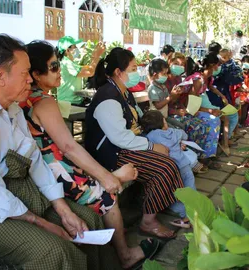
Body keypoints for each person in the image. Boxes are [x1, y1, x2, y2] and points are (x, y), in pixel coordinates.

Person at [0, 34, 119, 270]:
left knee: (87, 221)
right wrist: (40, 222)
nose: (30, 81)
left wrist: (63, 211)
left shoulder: (12, 111)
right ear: (1, 76)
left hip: (11, 189)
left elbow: (34, 161)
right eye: (25, 74)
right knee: (52, 250)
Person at [20, 40, 160, 269]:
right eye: (54, 67)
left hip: (45, 165)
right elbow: (69, 147)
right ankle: (125, 255)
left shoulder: (24, 98)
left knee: (102, 174)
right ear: (36, 74)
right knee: (108, 195)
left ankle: (113, 179)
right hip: (54, 171)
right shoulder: (44, 102)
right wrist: (106, 177)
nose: (59, 71)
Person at [85, 47, 184, 240]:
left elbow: (137, 121)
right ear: (118, 72)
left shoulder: (123, 92)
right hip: (113, 153)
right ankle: (148, 222)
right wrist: (152, 146)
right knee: (165, 166)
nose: (137, 72)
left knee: (171, 155)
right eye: (132, 68)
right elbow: (119, 138)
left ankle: (156, 204)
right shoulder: (107, 97)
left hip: (128, 145)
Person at [141, 110, 197, 228]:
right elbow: (184, 134)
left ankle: (185, 216)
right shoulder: (173, 132)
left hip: (173, 171)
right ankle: (195, 214)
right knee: (191, 190)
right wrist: (179, 140)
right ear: (163, 123)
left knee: (175, 196)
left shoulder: (150, 136)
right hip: (185, 167)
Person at [164, 52, 217, 171]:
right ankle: (189, 161)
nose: (180, 66)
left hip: (178, 110)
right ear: (169, 63)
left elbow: (179, 100)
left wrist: (185, 109)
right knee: (192, 127)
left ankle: (198, 157)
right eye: (176, 63)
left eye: (182, 64)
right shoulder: (164, 80)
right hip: (168, 113)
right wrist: (176, 109)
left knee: (202, 125)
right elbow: (161, 105)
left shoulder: (178, 79)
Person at [56, 36, 106, 106]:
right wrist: (97, 55)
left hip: (70, 103)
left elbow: (89, 68)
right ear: (67, 50)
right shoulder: (67, 63)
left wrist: (94, 54)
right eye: (75, 47)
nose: (77, 49)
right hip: (69, 103)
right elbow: (90, 72)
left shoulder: (68, 63)